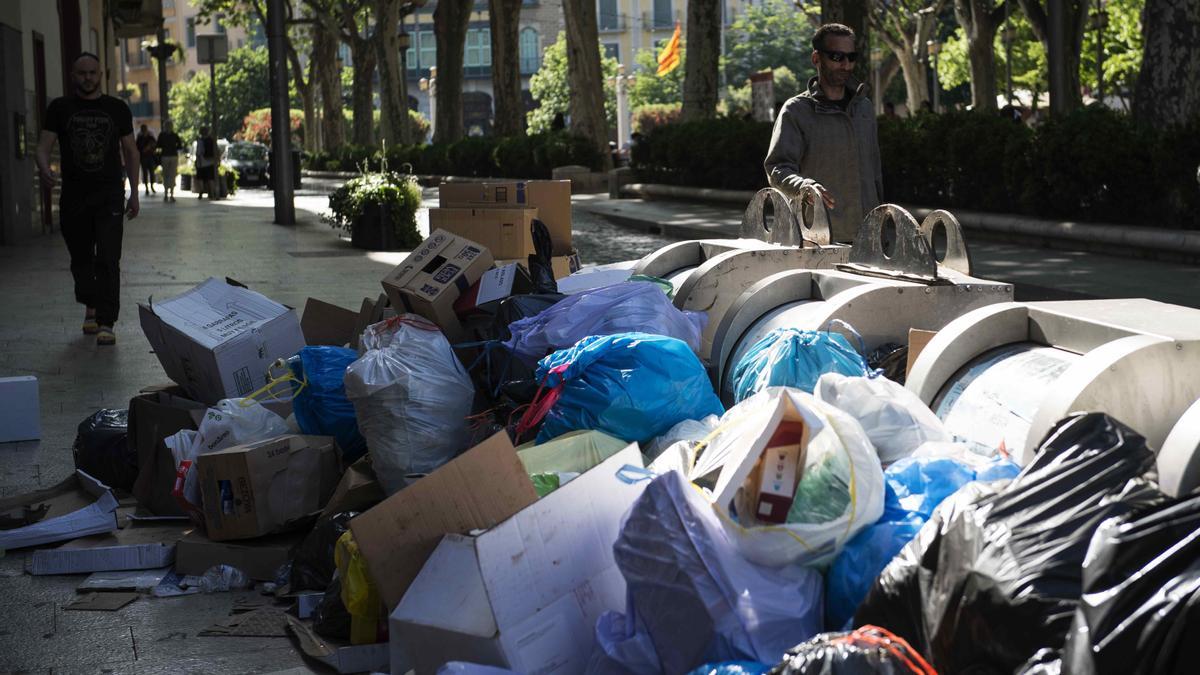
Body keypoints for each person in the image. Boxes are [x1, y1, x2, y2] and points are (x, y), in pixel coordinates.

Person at [35, 52, 139, 346]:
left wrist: (134, 193)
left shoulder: (117, 108)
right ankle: (90, 304)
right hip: (74, 196)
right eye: (82, 73)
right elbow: (43, 146)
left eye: (92, 73)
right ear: (73, 75)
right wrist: (43, 167)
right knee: (81, 259)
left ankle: (106, 321)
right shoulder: (60, 108)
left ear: (100, 75)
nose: (88, 78)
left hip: (109, 194)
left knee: (108, 257)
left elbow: (131, 152)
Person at [764, 23, 882, 242]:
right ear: (816, 59)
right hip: (817, 237)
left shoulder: (864, 107)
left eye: (851, 57)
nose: (846, 65)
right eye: (837, 57)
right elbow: (777, 167)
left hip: (868, 237)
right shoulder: (796, 110)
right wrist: (804, 186)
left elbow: (875, 172)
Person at [156, 120, 183, 202]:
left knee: (170, 175)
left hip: (170, 156)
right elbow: (158, 146)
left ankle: (170, 194)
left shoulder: (173, 135)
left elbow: (179, 146)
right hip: (167, 156)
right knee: (168, 175)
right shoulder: (169, 135)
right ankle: (167, 194)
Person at [194, 127, 216, 199]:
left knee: (200, 178)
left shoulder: (200, 141)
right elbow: (216, 151)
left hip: (201, 162)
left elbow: (199, 152)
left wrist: (197, 161)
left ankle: (201, 191)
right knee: (210, 178)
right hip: (210, 162)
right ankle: (212, 193)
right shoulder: (212, 140)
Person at [135, 124, 157, 195]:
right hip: (143, 157)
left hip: (150, 157)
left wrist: (150, 147)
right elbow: (137, 147)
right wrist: (143, 149)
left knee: (152, 173)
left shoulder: (150, 137)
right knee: (145, 173)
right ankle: (147, 188)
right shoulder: (140, 138)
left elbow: (155, 145)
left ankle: (152, 186)